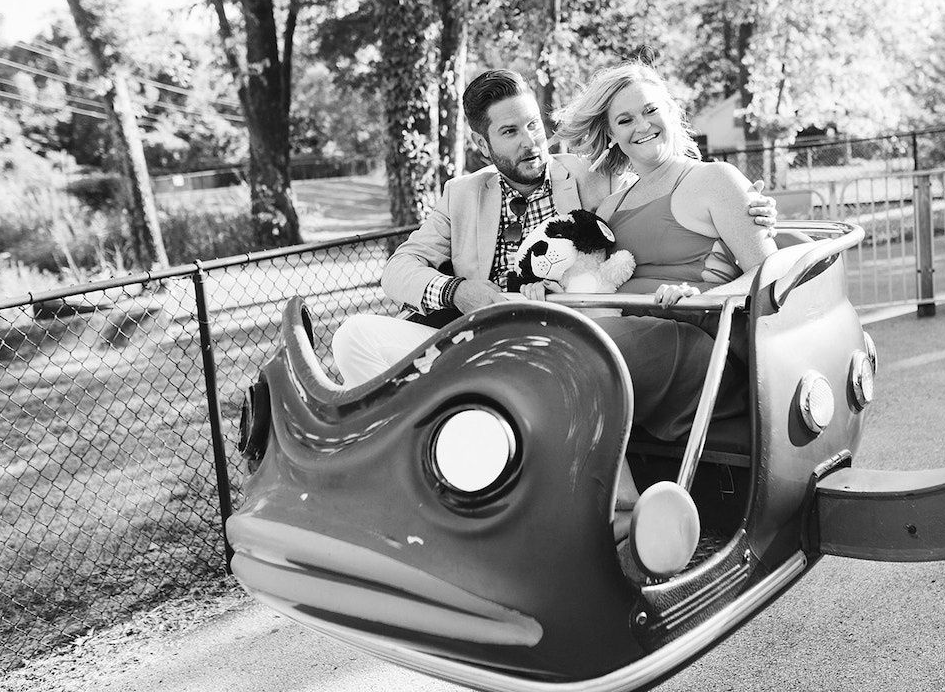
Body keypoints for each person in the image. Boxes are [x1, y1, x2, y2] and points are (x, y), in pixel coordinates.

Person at [331, 69, 775, 545]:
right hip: (482, 339)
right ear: (483, 146)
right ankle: (421, 481)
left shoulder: (594, 180)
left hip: (567, 337)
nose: (529, 141)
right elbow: (400, 268)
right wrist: (458, 291)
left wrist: (756, 211)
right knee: (352, 336)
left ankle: (575, 512)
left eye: (533, 126)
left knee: (563, 356)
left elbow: (694, 205)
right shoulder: (462, 195)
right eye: (509, 132)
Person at [554, 62, 778, 317]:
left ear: (670, 111)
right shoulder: (609, 208)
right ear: (611, 134)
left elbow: (770, 275)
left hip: (699, 331)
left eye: (650, 111)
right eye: (625, 120)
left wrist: (702, 299)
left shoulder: (715, 179)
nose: (642, 126)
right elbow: (590, 284)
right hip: (617, 334)